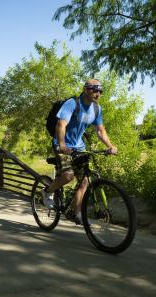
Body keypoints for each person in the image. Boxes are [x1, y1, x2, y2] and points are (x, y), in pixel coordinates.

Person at [41, 79, 117, 224]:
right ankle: (47, 191)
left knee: (85, 181)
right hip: (62, 144)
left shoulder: (96, 109)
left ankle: (75, 212)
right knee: (68, 176)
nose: (98, 93)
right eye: (95, 90)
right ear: (85, 89)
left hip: (79, 147)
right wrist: (62, 144)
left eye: (100, 91)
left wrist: (110, 145)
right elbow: (61, 124)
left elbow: (100, 130)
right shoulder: (72, 103)